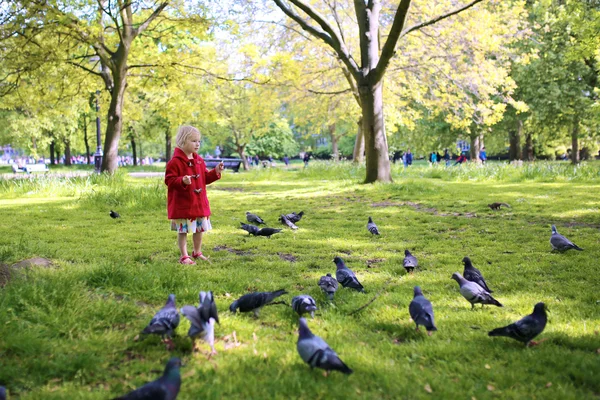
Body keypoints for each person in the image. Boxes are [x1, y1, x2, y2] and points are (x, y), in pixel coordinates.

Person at [165, 125, 224, 265]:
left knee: (199, 229)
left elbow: (205, 178)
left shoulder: (199, 160)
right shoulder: (175, 162)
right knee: (183, 231)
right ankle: (184, 256)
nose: (197, 144)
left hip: (198, 203)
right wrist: (182, 181)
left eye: (199, 141)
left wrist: (215, 171)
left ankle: (197, 252)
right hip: (183, 204)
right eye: (193, 141)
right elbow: (169, 180)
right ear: (183, 141)